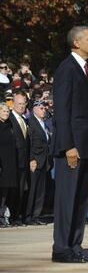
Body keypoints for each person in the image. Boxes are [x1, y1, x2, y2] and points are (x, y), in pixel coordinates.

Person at [51, 25, 88, 263]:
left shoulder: (86, 69)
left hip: (86, 146)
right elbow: (62, 110)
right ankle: (61, 248)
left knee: (80, 200)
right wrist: (69, 145)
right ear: (76, 43)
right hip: (72, 147)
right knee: (67, 200)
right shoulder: (67, 69)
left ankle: (75, 247)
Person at [25, 100, 50, 225]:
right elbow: (29, 143)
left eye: (44, 108)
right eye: (41, 108)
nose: (43, 110)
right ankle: (28, 216)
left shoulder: (43, 123)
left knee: (40, 191)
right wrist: (31, 159)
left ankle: (36, 215)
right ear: (34, 109)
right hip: (35, 160)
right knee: (33, 190)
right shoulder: (31, 122)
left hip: (44, 161)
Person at [8, 90, 30, 226]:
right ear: (13, 104)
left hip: (23, 161)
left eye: (23, 104)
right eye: (19, 104)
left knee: (21, 191)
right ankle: (11, 217)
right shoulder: (9, 119)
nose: (21, 106)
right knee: (13, 191)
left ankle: (16, 216)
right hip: (13, 161)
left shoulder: (24, 119)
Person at [0, 102, 17, 227]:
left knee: (6, 191)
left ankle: (3, 215)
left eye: (7, 111)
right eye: (4, 111)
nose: (6, 113)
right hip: (1, 163)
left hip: (9, 164)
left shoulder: (9, 125)